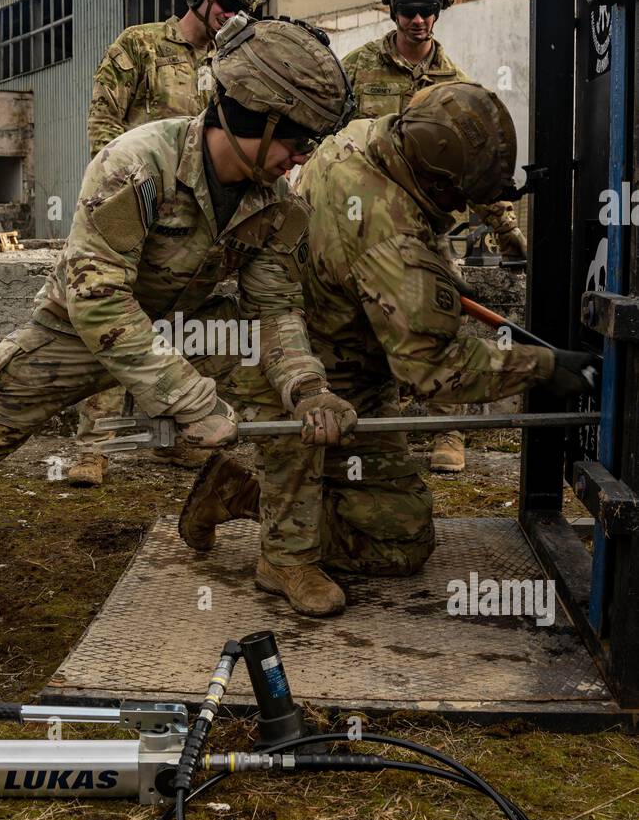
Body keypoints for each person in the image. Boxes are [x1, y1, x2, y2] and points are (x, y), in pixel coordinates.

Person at [0, 16, 358, 648]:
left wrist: (307, 388)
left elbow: (275, 310)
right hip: (79, 328)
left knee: (287, 400)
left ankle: (286, 554)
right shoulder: (135, 165)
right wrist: (189, 400)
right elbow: (100, 301)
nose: (304, 157)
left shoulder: (277, 200)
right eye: (298, 140)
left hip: (179, 328)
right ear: (259, 118)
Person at [179, 82, 595, 580]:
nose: (460, 209)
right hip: (317, 375)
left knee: (383, 499)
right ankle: (246, 495)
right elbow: (433, 368)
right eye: (459, 196)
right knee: (400, 539)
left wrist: (430, 282)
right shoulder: (391, 238)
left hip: (334, 349)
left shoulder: (366, 137)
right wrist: (544, 367)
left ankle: (274, 493)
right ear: (439, 182)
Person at [68, 0, 263, 486]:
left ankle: (173, 438)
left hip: (195, 219)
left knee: (180, 328)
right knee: (114, 323)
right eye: (225, 2)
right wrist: (124, 197)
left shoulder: (232, 65)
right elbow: (104, 123)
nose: (231, 15)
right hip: (133, 205)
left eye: (242, 8)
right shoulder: (141, 46)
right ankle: (93, 447)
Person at [341, 0, 527, 474]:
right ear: (392, 11)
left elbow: (473, 163)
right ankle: (379, 431)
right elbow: (325, 141)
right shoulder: (356, 70)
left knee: (442, 317)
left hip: (428, 227)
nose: (416, 20)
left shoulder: (455, 82)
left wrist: (505, 228)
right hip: (363, 223)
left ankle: (447, 429)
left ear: (439, 11)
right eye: (407, 9)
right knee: (361, 324)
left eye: (426, 9)